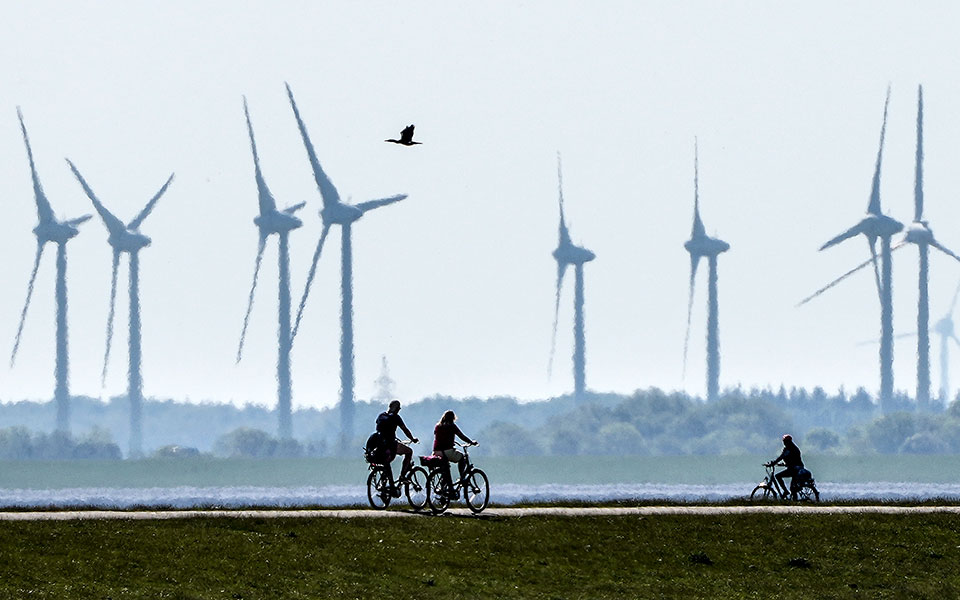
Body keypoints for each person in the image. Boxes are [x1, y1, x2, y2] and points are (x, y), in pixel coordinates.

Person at [432, 410, 477, 498]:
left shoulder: (438, 426)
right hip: (447, 451)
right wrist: (471, 442)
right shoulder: (452, 426)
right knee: (462, 458)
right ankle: (462, 477)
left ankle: (443, 490)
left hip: (436, 452)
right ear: (453, 418)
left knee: (445, 469)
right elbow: (461, 436)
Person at [375, 400, 418, 488]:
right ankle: (402, 476)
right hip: (391, 444)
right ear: (397, 409)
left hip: (379, 444)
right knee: (409, 451)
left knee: (386, 462)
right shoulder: (396, 417)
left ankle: (384, 481)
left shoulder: (381, 416)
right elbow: (405, 430)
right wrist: (412, 439)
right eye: (398, 408)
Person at [766, 434, 804, 499]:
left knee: (778, 476)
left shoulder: (789, 449)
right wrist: (783, 464)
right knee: (793, 488)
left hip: (795, 469)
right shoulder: (793, 448)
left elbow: (781, 457)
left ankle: (786, 491)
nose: (784, 443)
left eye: (785, 441)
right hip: (797, 468)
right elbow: (792, 459)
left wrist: (773, 463)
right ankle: (794, 501)